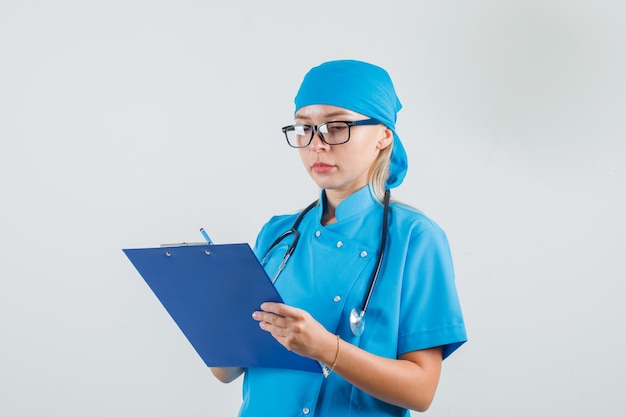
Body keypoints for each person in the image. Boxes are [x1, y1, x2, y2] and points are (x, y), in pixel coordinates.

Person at [211, 59, 467, 416]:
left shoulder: (415, 237)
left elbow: (421, 390)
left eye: (337, 126)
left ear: (383, 136)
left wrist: (326, 349)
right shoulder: (277, 233)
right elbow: (226, 371)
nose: (317, 144)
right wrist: (209, 303)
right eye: (304, 128)